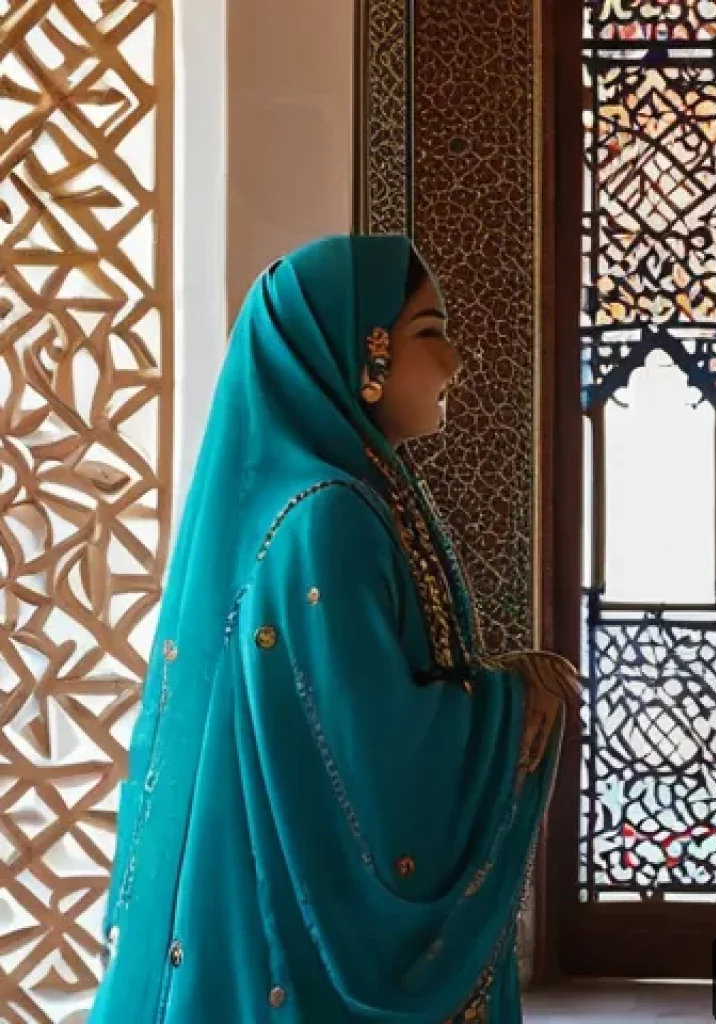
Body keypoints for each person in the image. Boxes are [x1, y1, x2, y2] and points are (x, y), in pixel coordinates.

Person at [89, 235, 578, 1023]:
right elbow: (368, 742)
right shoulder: (329, 515)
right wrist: (516, 700)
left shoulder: (322, 497)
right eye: (429, 332)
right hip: (292, 946)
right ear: (363, 355)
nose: (454, 362)